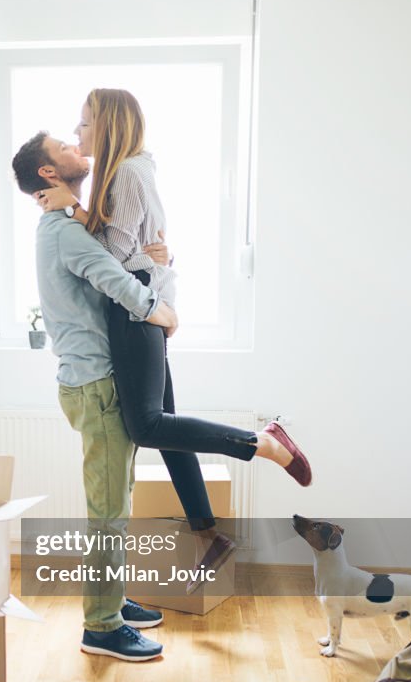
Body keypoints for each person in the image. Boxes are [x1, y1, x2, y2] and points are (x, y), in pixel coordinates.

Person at [36, 89, 312, 584]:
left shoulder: (125, 173)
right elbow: (136, 249)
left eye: (82, 124)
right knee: (163, 428)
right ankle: (210, 534)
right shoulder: (127, 169)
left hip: (135, 311)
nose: (77, 134)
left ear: (107, 126)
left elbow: (116, 259)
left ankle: (262, 442)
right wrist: (139, 250)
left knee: (146, 427)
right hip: (141, 303)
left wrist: (75, 215)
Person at [12, 132, 177, 662]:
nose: (76, 143)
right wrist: (163, 312)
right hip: (96, 384)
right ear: (47, 172)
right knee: (108, 512)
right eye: (64, 143)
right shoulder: (62, 232)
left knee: (116, 503)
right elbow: (116, 281)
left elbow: (114, 250)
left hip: (94, 381)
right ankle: (101, 627)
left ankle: (112, 601)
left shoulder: (65, 225)